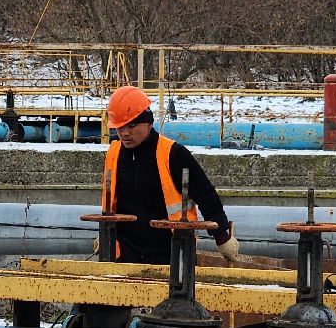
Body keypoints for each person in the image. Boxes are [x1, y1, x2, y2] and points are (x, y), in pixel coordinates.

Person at [102, 86, 241, 265]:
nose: (124, 133)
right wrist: (105, 233)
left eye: (131, 125)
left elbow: (205, 194)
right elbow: (111, 203)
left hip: (172, 254)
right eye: (119, 127)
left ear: (148, 122)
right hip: (126, 257)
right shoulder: (114, 154)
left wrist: (222, 237)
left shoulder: (173, 154)